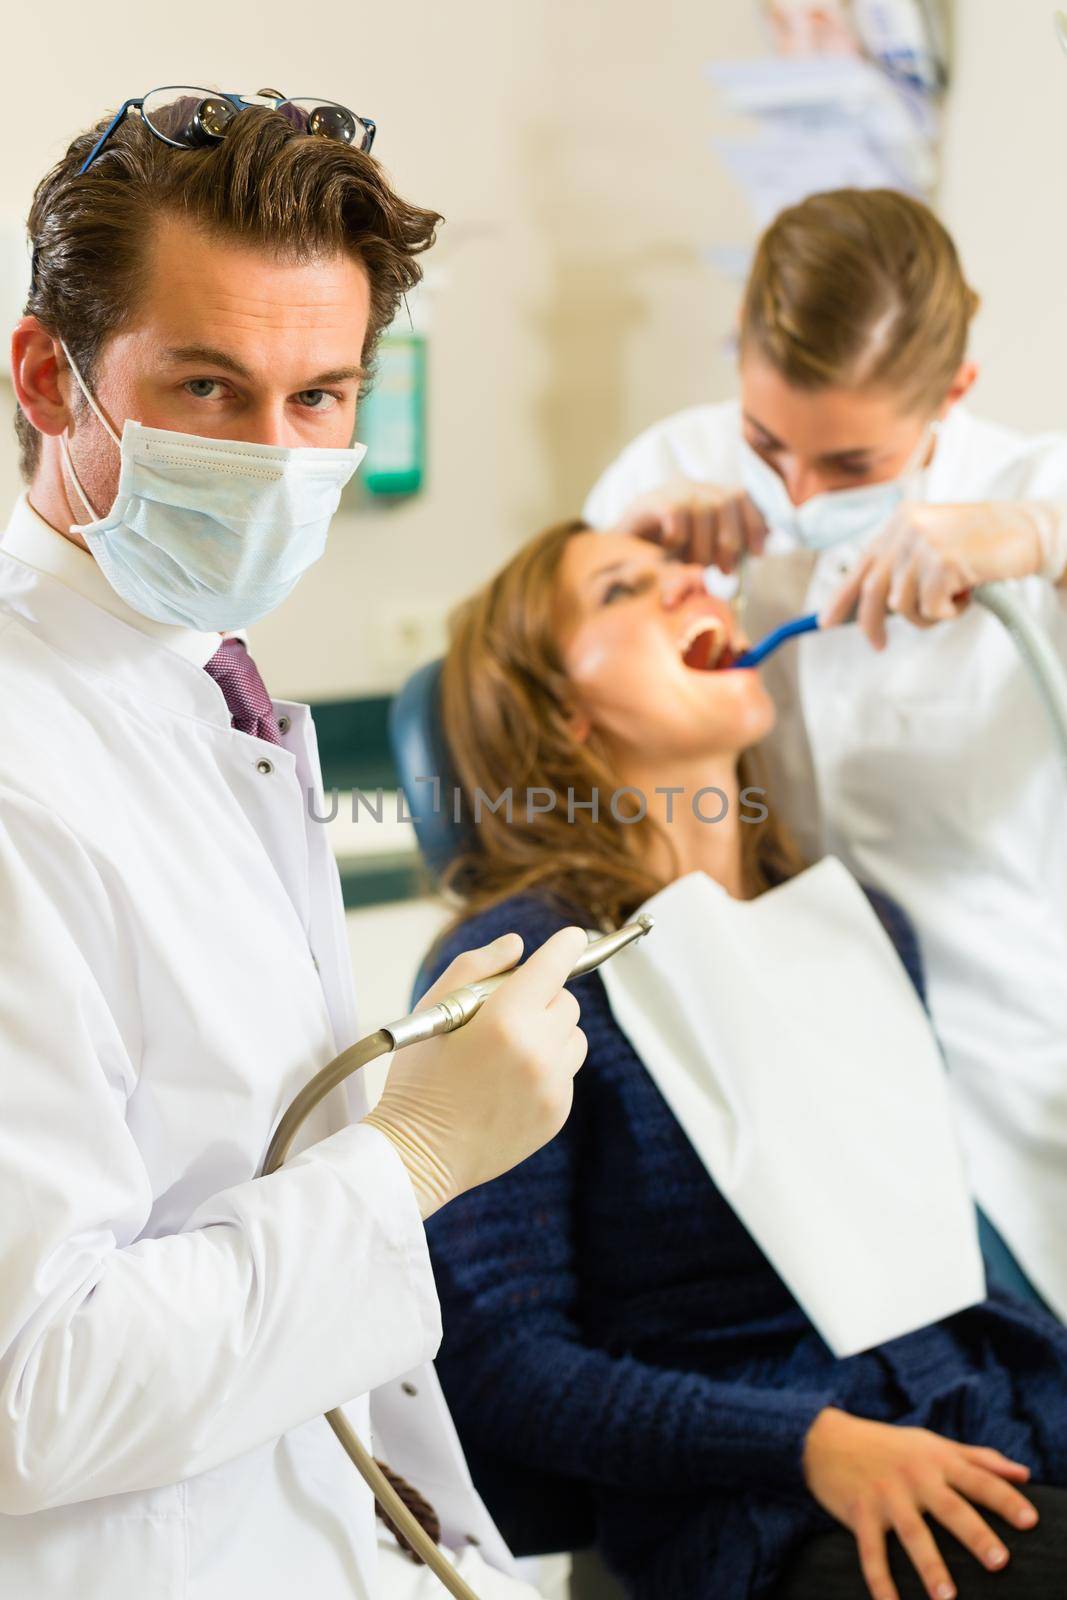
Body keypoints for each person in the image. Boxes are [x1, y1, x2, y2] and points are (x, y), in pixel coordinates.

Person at [0, 92, 587, 1600]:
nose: (274, 455)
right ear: (43, 379)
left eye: (321, 396)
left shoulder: (196, 678)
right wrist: (411, 1162)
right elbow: (34, 1392)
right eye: (207, 386)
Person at [418, 519, 1067, 1600]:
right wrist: (807, 1444)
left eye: (682, 571)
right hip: (771, 1517)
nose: (688, 582)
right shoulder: (533, 965)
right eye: (625, 589)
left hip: (989, 1431)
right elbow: (498, 1364)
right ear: (560, 712)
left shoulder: (859, 924)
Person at [582, 186, 1067, 1322]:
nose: (793, 496)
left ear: (952, 394)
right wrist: (622, 554)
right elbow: (552, 675)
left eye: (847, 467)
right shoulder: (671, 464)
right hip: (753, 1016)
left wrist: (1037, 539)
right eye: (765, 444)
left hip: (989, 1044)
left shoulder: (1023, 494)